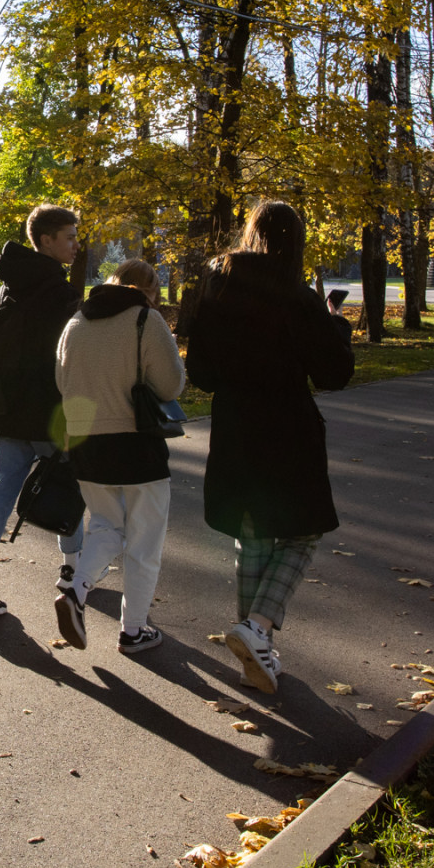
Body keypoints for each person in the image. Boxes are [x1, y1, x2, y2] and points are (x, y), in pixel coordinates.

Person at [185, 202, 355, 693]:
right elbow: (334, 373)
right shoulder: (296, 296)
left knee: (252, 535)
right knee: (304, 533)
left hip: (236, 427)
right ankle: (258, 628)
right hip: (289, 428)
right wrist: (336, 325)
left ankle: (256, 648)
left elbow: (201, 373)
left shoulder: (216, 288)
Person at [51, 258, 185, 654]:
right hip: (136, 443)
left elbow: (62, 381)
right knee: (145, 542)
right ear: (150, 290)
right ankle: (133, 630)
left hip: (86, 443)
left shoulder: (75, 323)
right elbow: (171, 384)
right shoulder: (145, 320)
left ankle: (76, 591)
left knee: (106, 526)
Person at [0, 205, 83, 617]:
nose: (75, 245)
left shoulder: (7, 286)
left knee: (0, 486)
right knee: (68, 487)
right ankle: (71, 573)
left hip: (8, 410)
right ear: (45, 240)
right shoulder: (60, 293)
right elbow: (66, 358)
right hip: (47, 412)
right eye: (68, 237)